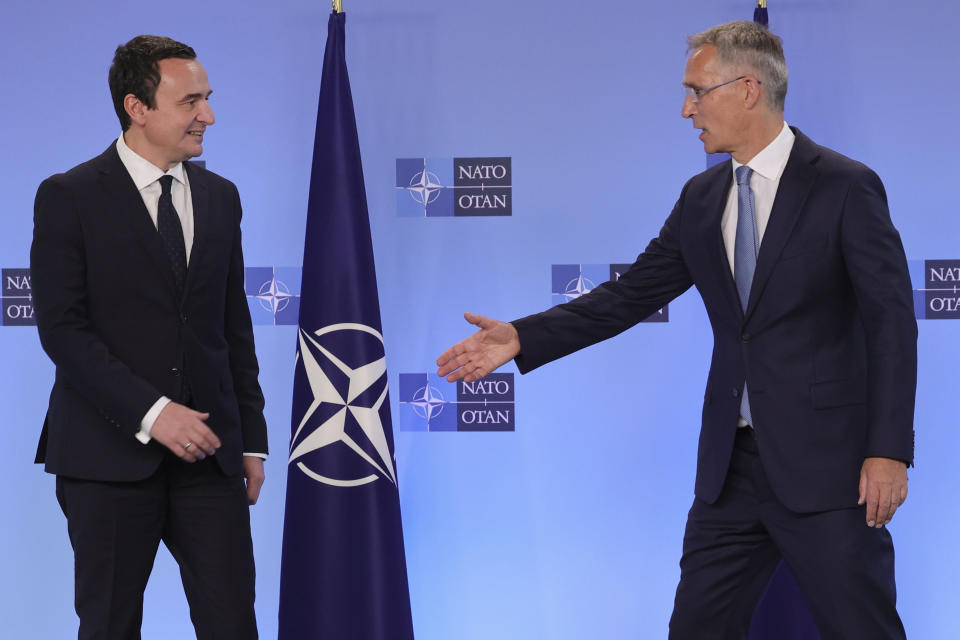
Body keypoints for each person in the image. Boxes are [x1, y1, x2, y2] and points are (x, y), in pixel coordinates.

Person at [436, 21, 916, 640]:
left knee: (863, 631)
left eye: (698, 90)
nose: (685, 108)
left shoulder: (845, 186)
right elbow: (630, 294)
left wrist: (888, 451)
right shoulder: (701, 197)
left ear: (748, 89)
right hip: (731, 473)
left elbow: (891, 325)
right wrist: (524, 336)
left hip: (830, 471)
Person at [31, 35, 268, 639]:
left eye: (207, 99)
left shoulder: (221, 197)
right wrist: (153, 413)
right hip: (105, 461)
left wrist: (252, 441)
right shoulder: (69, 196)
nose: (207, 116)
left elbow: (231, 327)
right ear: (137, 108)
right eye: (191, 102)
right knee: (109, 626)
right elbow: (63, 330)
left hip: (210, 461)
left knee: (233, 625)